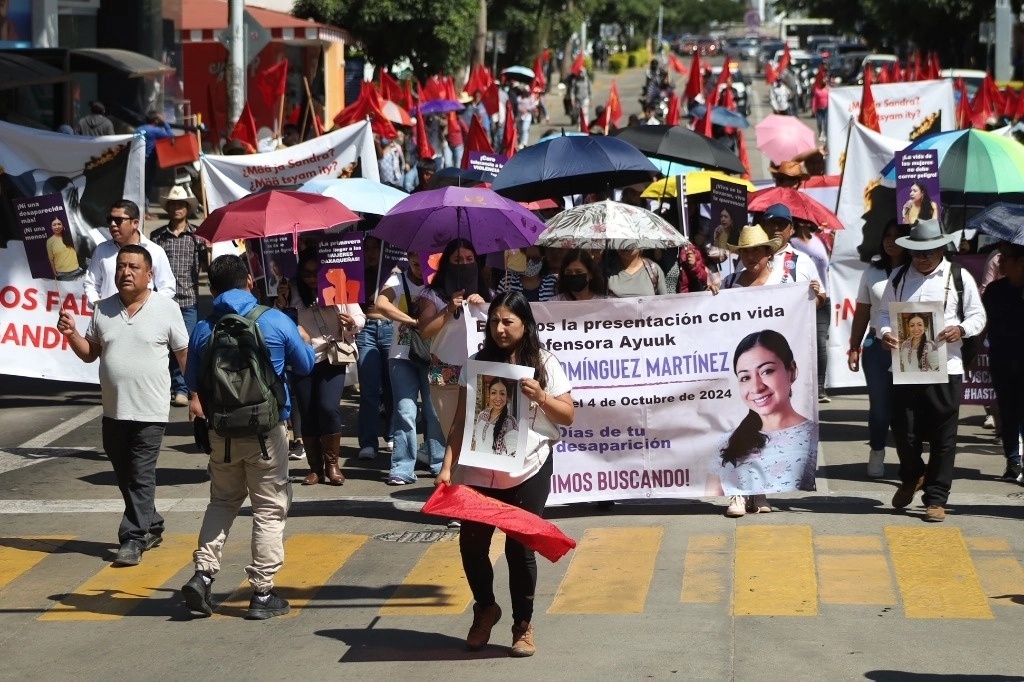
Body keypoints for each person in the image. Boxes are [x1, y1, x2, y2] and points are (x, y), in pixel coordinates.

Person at [435, 291, 575, 657]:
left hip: (529, 468)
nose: (499, 328)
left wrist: (542, 396)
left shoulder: (544, 362)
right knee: (472, 545)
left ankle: (523, 625)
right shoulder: (476, 364)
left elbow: (568, 415)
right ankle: (485, 608)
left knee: (519, 549)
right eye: (494, 321)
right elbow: (461, 421)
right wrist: (448, 467)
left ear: (525, 324)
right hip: (481, 471)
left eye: (507, 321)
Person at [181, 254, 315, 619]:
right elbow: (305, 365)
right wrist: (299, 337)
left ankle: (204, 575)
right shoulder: (273, 320)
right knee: (269, 511)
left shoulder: (205, 328)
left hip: (221, 431)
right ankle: (262, 593)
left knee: (222, 503)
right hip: (266, 432)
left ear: (212, 288)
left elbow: (192, 382)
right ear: (250, 283)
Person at [57, 244, 189, 567]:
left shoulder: (166, 309)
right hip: (114, 411)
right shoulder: (102, 308)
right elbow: (91, 352)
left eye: (133, 267)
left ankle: (132, 537)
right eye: (120, 267)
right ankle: (152, 522)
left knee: (140, 474)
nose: (125, 272)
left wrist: (197, 396)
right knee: (124, 473)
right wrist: (72, 333)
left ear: (149, 274)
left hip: (151, 410)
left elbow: (184, 356)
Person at [878, 218, 987, 522]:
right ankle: (913, 475)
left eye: (927, 253)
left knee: (943, 437)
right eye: (916, 253)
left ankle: (936, 498)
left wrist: (960, 329)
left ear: (941, 248)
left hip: (946, 367)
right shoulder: (899, 277)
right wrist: (885, 333)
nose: (921, 258)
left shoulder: (958, 276)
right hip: (906, 366)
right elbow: (884, 313)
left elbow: (978, 317)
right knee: (904, 432)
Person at [276, 250, 365, 485]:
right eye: (306, 273)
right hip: (302, 358)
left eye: (316, 273)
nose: (312, 278)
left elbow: (360, 317)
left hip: (332, 356)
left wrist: (351, 322)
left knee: (328, 408)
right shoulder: (290, 289)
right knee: (307, 412)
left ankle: (332, 465)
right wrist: (281, 302)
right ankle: (315, 468)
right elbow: (281, 323)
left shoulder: (340, 285)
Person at [705, 329, 817, 500]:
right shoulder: (727, 442)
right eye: (745, 378)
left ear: (792, 370)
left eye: (767, 371)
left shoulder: (813, 436)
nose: (757, 387)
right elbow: (712, 497)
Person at [375, 252, 446, 485]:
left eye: (423, 260)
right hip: (401, 356)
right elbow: (381, 304)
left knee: (434, 411)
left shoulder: (440, 282)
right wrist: (411, 321)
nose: (419, 265)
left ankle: (439, 461)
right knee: (405, 411)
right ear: (408, 257)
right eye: (415, 260)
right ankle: (402, 467)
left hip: (435, 357)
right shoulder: (397, 281)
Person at [847, 220, 910, 478]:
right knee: (880, 406)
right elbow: (862, 311)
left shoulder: (916, 271)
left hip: (911, 346)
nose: (890, 241)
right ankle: (877, 449)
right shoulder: (872, 271)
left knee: (908, 408)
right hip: (876, 346)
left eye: (897, 237)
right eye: (887, 235)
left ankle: (909, 459)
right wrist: (853, 346)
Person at [418, 238, 491, 438]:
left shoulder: (489, 295)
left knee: (482, 437)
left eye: (469, 259)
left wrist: (484, 308)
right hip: (445, 376)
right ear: (447, 263)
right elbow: (425, 331)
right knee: (454, 437)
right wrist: (449, 309)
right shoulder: (431, 295)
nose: (465, 264)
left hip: (483, 375)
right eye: (458, 259)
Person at [150, 186, 207, 407]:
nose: (176, 208)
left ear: (187, 208)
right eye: (173, 204)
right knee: (162, 345)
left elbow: (204, 264)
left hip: (188, 299)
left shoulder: (197, 237)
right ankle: (168, 386)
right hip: (163, 299)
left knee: (186, 345)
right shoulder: (157, 237)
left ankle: (184, 388)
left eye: (181, 204)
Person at [981, 241, 1024, 484]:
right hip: (1002, 361)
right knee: (1007, 411)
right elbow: (983, 326)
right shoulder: (995, 290)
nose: (999, 261)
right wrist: (971, 354)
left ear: (1021, 262)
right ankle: (1012, 460)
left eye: (1005, 257)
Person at [83, 200, 176, 308]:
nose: (113, 224)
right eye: (110, 220)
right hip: (108, 318)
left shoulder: (155, 251)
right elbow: (91, 283)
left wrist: (148, 308)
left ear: (135, 223)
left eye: (118, 220)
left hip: (142, 320)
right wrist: (97, 304)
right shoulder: (101, 250)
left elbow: (167, 287)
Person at [354, 236, 395, 460]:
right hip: (366, 329)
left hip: (390, 328)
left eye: (375, 247)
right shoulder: (357, 271)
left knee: (392, 387)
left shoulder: (394, 272)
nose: (370, 252)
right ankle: (368, 442)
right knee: (369, 389)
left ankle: (390, 435)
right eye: (366, 248)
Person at [790, 218, 832, 402]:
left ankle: (820, 388)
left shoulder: (820, 239)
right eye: (802, 221)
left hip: (824, 296)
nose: (808, 223)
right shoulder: (791, 243)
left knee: (820, 343)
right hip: (801, 300)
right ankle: (801, 385)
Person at [136, 111, 175, 218]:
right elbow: (171, 136)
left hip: (137, 160)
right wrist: (165, 123)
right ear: (156, 120)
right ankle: (145, 212)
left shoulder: (139, 129)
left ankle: (142, 211)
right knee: (147, 186)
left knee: (139, 186)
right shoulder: (156, 131)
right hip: (149, 161)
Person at [470, 376, 519, 456]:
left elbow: (514, 450)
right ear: (489, 394)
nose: (498, 398)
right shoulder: (482, 414)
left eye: (502, 393)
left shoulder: (509, 421)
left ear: (507, 397)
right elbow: (476, 442)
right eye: (493, 393)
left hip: (494, 467)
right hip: (477, 464)